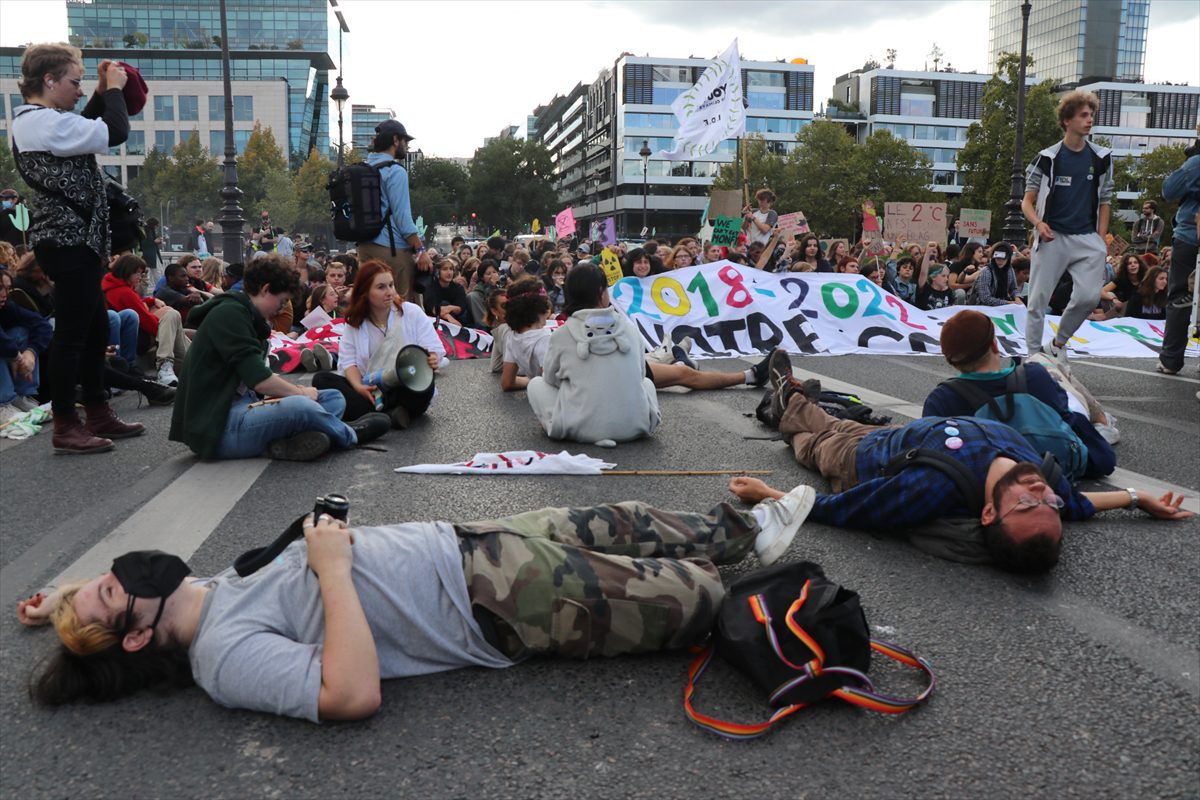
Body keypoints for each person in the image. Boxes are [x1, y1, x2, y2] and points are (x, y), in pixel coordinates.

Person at [17, 478, 818, 721]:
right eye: (115, 588)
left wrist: (57, 598)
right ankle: (748, 582)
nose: (128, 570)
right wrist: (329, 568)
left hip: (467, 541)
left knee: (624, 520)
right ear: (133, 638)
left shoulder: (206, 589)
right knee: (692, 599)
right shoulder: (223, 660)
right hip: (492, 601)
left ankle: (751, 529)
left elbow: (98, 613)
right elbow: (351, 692)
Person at [739, 350, 1192, 573]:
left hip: (853, 459)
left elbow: (842, 510)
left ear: (989, 512)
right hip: (894, 438)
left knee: (808, 435)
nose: (1043, 497)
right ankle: (796, 398)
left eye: (1029, 506)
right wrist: (1138, 497)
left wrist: (768, 494)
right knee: (832, 418)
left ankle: (786, 399)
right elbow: (1084, 505)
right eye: (1051, 506)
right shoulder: (1046, 482)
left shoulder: (932, 489)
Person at [10, 44, 139, 454]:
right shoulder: (44, 123)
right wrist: (115, 89)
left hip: (73, 240)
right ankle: (66, 423)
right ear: (49, 81)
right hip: (68, 242)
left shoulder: (43, 122)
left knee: (96, 327)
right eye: (75, 82)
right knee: (71, 335)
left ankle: (97, 412)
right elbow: (114, 131)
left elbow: (84, 123)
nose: (80, 91)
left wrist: (103, 89)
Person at [169, 257, 389, 461]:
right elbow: (259, 379)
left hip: (238, 411)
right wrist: (301, 393)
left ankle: (287, 443)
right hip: (218, 428)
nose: (281, 308)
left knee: (333, 398)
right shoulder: (229, 315)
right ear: (266, 290)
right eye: (282, 300)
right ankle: (349, 435)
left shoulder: (245, 315)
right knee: (303, 406)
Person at [922, 309, 1116, 478]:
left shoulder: (941, 399)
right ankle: (1101, 422)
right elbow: (1070, 421)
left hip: (994, 481)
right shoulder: (1034, 376)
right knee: (1040, 358)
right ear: (994, 345)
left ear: (951, 361)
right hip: (1057, 463)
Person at [1022, 90, 1114, 369]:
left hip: (1086, 238)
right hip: (1053, 237)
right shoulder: (1047, 158)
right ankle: (1034, 356)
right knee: (1037, 300)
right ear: (1067, 121)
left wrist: (1100, 239)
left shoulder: (1101, 158)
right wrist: (1039, 224)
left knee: (1088, 296)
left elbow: (1106, 200)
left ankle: (1057, 345)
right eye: (1083, 116)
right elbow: (1027, 201)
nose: (1089, 121)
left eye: (1091, 115)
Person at [312, 260, 443, 428]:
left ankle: (376, 414)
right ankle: (390, 414)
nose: (389, 292)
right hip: (370, 389)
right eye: (381, 287)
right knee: (321, 379)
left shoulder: (411, 312)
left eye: (391, 285)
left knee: (424, 384)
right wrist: (359, 387)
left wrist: (431, 358)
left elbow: (432, 347)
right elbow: (348, 361)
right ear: (365, 292)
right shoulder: (356, 322)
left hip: (405, 388)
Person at [357, 120, 431, 303]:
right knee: (403, 309)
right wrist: (420, 250)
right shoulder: (395, 171)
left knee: (373, 307)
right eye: (406, 142)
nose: (407, 147)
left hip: (364, 247)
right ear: (396, 140)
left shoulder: (364, 169)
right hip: (392, 250)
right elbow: (403, 218)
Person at [102, 254, 189, 386]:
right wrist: (167, 329)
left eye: (142, 273)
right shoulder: (125, 292)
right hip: (140, 338)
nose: (140, 277)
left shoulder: (115, 287)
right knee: (171, 315)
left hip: (137, 335)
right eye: (137, 273)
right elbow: (148, 322)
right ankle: (167, 364)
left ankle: (172, 363)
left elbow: (137, 304)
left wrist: (151, 300)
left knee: (173, 317)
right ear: (126, 272)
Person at [1157, 139, 1200, 376]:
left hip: (1191, 237)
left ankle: (1171, 359)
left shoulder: (1196, 163)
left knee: (1180, 296)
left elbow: (1169, 190)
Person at [0, 269, 53, 423]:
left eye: (7, 288)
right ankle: (3, 404)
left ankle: (20, 397)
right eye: (0, 288)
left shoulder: (7, 306)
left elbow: (42, 325)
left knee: (21, 331)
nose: (4, 294)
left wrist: (31, 352)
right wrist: (16, 356)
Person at [423, 258, 471, 326]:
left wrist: (449, 308)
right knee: (444, 303)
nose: (449, 273)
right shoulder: (431, 287)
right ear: (438, 271)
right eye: (445, 269)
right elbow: (433, 309)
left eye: (451, 269)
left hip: (458, 320)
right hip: (436, 322)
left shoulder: (458, 287)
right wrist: (449, 318)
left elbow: (460, 308)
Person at [915, 245, 962, 311]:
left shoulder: (949, 292)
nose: (946, 279)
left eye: (947, 276)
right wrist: (927, 253)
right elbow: (923, 273)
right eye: (943, 276)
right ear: (933, 277)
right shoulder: (925, 288)